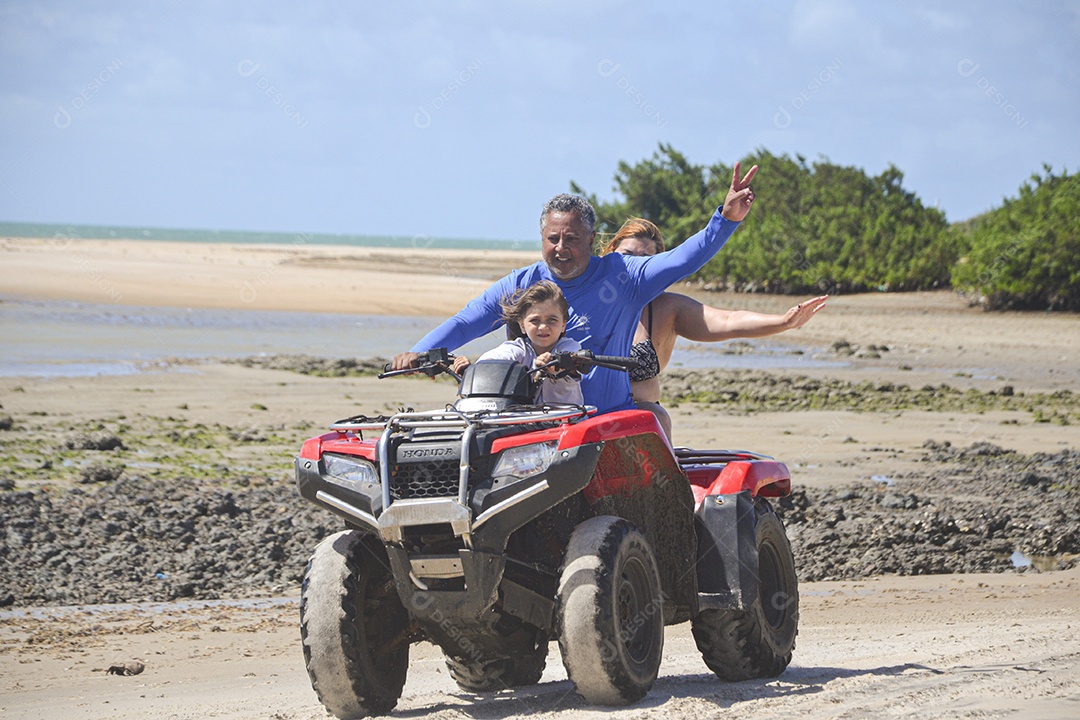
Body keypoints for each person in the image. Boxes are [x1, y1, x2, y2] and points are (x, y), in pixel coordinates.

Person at [392, 162, 759, 414]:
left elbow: (683, 259)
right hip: (536, 421)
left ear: (593, 239)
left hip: (605, 421)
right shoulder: (522, 283)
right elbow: (468, 321)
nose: (561, 248)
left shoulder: (625, 275)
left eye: (572, 239)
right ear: (541, 238)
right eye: (553, 238)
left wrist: (724, 220)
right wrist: (420, 352)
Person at [604, 217, 827, 440]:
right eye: (627, 256)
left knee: (656, 414)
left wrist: (783, 322)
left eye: (646, 260)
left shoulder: (667, 309)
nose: (635, 266)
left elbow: (728, 321)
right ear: (611, 253)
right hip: (589, 421)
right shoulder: (585, 299)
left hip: (642, 429)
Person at [452, 281, 584, 405]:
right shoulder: (520, 348)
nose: (543, 327)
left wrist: (555, 363)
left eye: (552, 320)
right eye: (535, 321)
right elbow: (496, 358)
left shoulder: (570, 346)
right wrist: (471, 370)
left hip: (567, 420)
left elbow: (570, 357)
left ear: (563, 325)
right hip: (527, 420)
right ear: (522, 325)